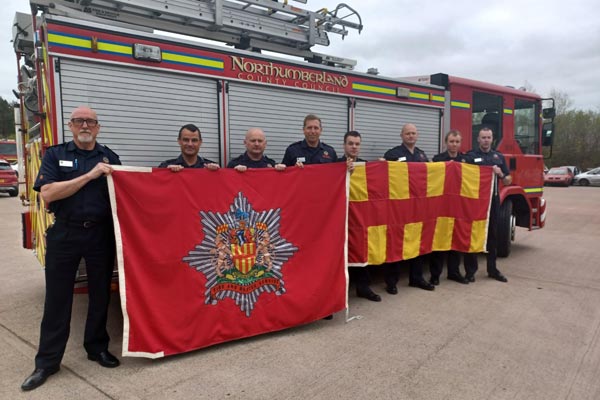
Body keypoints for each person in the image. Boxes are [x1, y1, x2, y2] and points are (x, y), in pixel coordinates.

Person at [22, 106, 121, 391]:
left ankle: (96, 348)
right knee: (57, 299)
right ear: (71, 125)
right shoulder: (56, 154)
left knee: (101, 294)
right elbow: (49, 193)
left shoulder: (109, 157)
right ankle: (47, 363)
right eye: (80, 121)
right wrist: (90, 175)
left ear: (98, 127)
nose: (85, 125)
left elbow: (125, 192)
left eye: (91, 121)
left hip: (100, 234)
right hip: (65, 233)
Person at [383, 123, 435, 293]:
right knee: (396, 242)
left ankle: (417, 278)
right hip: (399, 207)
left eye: (413, 133)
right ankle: (391, 282)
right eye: (407, 133)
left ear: (417, 136)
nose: (411, 136)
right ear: (402, 135)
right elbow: (384, 173)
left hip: (418, 207)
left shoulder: (421, 155)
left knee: (418, 241)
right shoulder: (393, 154)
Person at [339, 131, 381, 302]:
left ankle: (363, 287)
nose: (354, 147)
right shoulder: (334, 164)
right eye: (351, 143)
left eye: (357, 144)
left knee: (362, 248)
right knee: (340, 253)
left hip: (361, 216)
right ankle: (340, 292)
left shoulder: (366, 166)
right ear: (344, 145)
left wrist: (382, 167)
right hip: (340, 215)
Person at [466, 127, 512, 283]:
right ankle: (470, 271)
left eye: (488, 137)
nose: (486, 140)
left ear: (492, 139)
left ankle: (492, 269)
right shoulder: (470, 156)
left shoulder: (498, 157)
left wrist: (500, 174)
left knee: (493, 235)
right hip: (475, 202)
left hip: (493, 201)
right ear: (478, 139)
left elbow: (508, 180)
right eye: (483, 137)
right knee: (473, 235)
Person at [429, 130, 473, 285]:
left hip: (458, 207)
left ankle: (454, 273)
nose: (454, 144)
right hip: (441, 207)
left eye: (457, 142)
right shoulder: (437, 160)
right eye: (451, 141)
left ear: (460, 143)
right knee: (439, 240)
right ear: (446, 142)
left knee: (456, 240)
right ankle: (435, 275)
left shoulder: (467, 161)